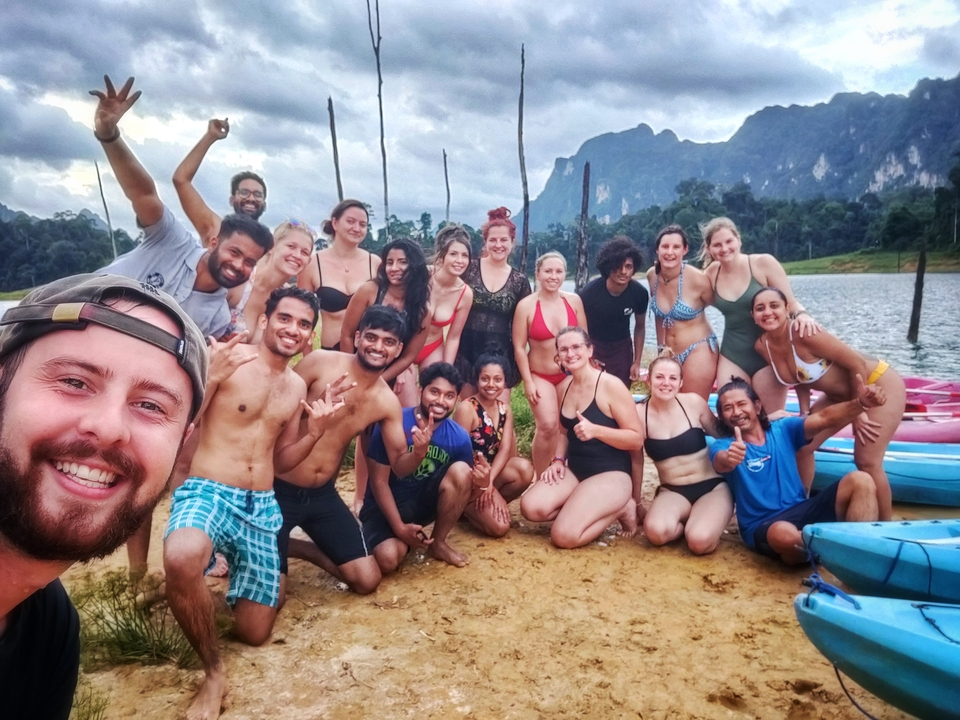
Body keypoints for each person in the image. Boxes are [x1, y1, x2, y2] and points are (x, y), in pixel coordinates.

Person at [0, 273, 207, 720]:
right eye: (75, 382)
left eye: (151, 406)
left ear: (182, 443)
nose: (110, 427)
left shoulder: (49, 630)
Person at [162, 287, 333, 720]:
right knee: (182, 556)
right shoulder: (229, 361)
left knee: (255, 633)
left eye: (303, 324)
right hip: (209, 490)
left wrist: (315, 432)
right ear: (265, 320)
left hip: (261, 504)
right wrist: (212, 377)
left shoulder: (296, 386)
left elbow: (281, 457)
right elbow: (178, 422)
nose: (292, 329)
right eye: (285, 318)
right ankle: (213, 673)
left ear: (310, 334)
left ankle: (226, 587)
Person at [90, 76, 274, 339]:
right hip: (78, 312)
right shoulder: (173, 239)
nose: (238, 264)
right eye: (234, 251)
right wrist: (109, 136)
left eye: (249, 261)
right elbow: (145, 192)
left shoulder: (216, 319)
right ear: (213, 241)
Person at [275, 306, 431, 600]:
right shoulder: (319, 363)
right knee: (277, 598)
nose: (377, 346)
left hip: (322, 495)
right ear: (358, 338)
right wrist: (314, 409)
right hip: (276, 488)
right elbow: (274, 414)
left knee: (367, 580)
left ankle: (297, 546)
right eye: (371, 337)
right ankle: (271, 541)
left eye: (388, 342)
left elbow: (399, 465)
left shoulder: (386, 401)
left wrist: (419, 452)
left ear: (398, 349)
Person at [751, 286, 906, 520]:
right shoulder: (763, 346)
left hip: (877, 383)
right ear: (752, 315)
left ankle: (885, 526)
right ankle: (798, 508)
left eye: (774, 306)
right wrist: (805, 412)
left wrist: (859, 412)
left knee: (867, 460)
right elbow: (798, 377)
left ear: (787, 309)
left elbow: (856, 364)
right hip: (838, 396)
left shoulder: (804, 333)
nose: (768, 312)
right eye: (760, 308)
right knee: (802, 445)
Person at [709, 376, 884, 564]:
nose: (736, 412)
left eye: (742, 404)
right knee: (783, 535)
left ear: (757, 407)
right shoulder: (723, 445)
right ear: (723, 417)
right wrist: (730, 458)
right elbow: (721, 461)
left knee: (861, 480)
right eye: (728, 408)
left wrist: (860, 404)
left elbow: (824, 418)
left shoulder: (783, 428)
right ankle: (824, 550)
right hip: (762, 525)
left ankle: (859, 558)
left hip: (801, 508)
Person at [520, 327, 644, 549]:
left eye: (576, 347)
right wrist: (558, 460)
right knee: (531, 507)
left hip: (611, 474)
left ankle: (622, 506)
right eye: (564, 349)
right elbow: (563, 432)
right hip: (576, 471)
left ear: (590, 350)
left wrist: (597, 431)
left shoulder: (610, 385)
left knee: (563, 537)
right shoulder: (564, 388)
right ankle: (583, 505)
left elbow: (636, 439)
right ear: (558, 357)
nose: (571, 354)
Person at [361, 363, 485, 571]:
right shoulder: (395, 422)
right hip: (384, 507)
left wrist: (481, 485)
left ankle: (438, 543)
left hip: (422, 505)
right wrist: (400, 529)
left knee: (463, 471)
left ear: (456, 400)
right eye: (434, 391)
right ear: (420, 390)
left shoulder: (459, 437)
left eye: (449, 395)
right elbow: (378, 482)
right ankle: (399, 537)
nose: (440, 401)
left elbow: (462, 493)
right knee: (388, 559)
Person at [341, 238, 432, 509]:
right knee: (364, 431)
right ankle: (360, 495)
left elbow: (410, 355)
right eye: (389, 261)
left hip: (394, 371)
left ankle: (391, 491)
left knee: (398, 430)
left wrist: (382, 378)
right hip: (357, 365)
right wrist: (353, 373)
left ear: (414, 266)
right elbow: (348, 333)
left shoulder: (422, 308)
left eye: (402, 262)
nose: (394, 268)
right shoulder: (371, 290)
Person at [700, 217, 818, 411]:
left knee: (770, 419)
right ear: (709, 249)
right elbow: (693, 305)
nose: (724, 248)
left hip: (769, 355)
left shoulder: (763, 264)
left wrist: (803, 315)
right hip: (733, 355)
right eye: (717, 245)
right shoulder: (711, 273)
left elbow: (790, 302)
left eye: (729, 241)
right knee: (733, 416)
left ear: (738, 240)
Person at [637, 356, 733, 555]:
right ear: (648, 380)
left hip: (712, 487)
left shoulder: (693, 403)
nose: (666, 383)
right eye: (659, 377)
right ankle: (690, 522)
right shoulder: (639, 414)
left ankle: (701, 522)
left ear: (681, 382)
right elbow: (635, 460)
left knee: (699, 542)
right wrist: (636, 501)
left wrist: (767, 421)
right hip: (672, 490)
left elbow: (724, 435)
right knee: (655, 533)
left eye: (673, 378)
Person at [513, 252, 588, 474]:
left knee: (568, 427)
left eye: (558, 271)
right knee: (547, 426)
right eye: (548, 271)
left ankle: (562, 472)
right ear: (537, 274)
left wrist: (587, 374)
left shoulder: (574, 301)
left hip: (570, 375)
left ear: (565, 274)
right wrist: (527, 381)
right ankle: (539, 477)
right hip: (540, 374)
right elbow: (518, 346)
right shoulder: (525, 306)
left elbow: (584, 340)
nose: (553, 276)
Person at [453, 354, 535, 537]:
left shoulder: (504, 409)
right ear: (477, 379)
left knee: (524, 469)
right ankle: (463, 506)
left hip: (489, 475)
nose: (491, 384)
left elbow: (505, 449)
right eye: (485, 378)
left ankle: (484, 506)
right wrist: (482, 485)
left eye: (497, 379)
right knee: (500, 528)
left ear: (505, 381)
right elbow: (458, 454)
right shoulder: (467, 408)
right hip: (468, 477)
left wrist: (490, 484)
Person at [455, 207, 532, 399]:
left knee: (498, 416)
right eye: (493, 240)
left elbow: (526, 324)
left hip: (501, 356)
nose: (498, 245)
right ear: (486, 242)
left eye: (504, 240)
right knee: (466, 414)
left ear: (512, 243)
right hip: (467, 351)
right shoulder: (469, 269)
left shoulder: (519, 281)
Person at [298, 199, 381, 351]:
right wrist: (308, 358)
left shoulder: (375, 264)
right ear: (335, 223)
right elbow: (301, 316)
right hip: (330, 353)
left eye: (363, 225)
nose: (357, 228)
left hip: (369, 354)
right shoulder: (312, 264)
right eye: (351, 222)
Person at [172, 118, 268, 245]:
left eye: (257, 194)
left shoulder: (268, 247)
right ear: (232, 199)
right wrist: (210, 137)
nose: (251, 198)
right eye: (244, 192)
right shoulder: (216, 229)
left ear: (264, 204)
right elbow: (181, 180)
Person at [647, 225, 717, 399]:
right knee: (670, 404)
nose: (670, 252)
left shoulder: (697, 279)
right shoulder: (652, 276)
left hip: (698, 349)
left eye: (676, 247)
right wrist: (660, 349)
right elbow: (659, 316)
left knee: (693, 405)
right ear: (657, 249)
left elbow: (727, 308)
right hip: (669, 352)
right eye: (665, 246)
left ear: (684, 250)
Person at [219, 219, 316, 343]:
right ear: (271, 248)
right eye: (291, 246)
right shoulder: (240, 281)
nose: (297, 255)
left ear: (308, 261)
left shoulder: (285, 299)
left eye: (304, 252)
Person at [578, 236, 648, 386]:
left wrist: (637, 362)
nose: (623, 272)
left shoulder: (639, 293)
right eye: (618, 266)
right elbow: (579, 329)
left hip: (621, 347)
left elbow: (640, 326)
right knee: (593, 388)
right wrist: (588, 356)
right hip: (594, 345)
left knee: (620, 390)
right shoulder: (589, 293)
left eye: (628, 267)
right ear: (608, 266)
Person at [417, 224, 474, 370]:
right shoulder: (423, 275)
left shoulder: (465, 293)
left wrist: (447, 370)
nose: (459, 260)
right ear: (442, 256)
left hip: (433, 348)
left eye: (464, 255)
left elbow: (454, 337)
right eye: (453, 254)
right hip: (405, 345)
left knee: (436, 386)